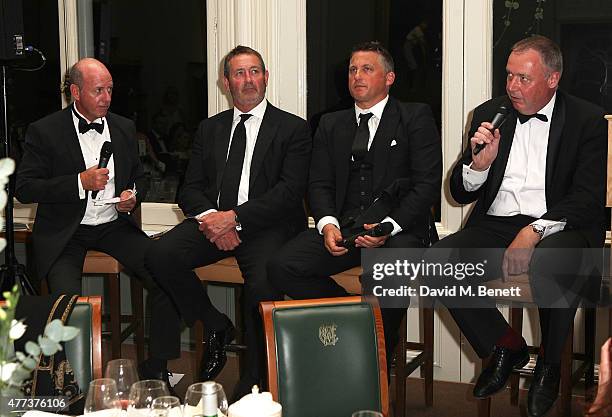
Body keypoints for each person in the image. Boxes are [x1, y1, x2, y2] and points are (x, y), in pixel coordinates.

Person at [436, 35, 606, 417]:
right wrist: (478, 166)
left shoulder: (586, 119)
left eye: (523, 79)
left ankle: (549, 364)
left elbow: (587, 198)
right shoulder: (490, 112)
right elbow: (459, 193)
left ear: (553, 79)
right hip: (498, 222)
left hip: (563, 222)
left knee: (554, 262)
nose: (512, 86)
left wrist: (535, 231)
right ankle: (505, 346)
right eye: (509, 76)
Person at [145, 45, 311, 400]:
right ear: (226, 82)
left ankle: (251, 386)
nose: (247, 80)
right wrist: (212, 222)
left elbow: (289, 193)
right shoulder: (209, 129)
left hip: (268, 226)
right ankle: (216, 323)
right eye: (239, 73)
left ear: (265, 78)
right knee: (159, 255)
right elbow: (189, 189)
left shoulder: (293, 129)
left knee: (262, 284)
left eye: (254, 72)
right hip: (214, 222)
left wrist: (233, 220)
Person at [267, 41, 441, 363]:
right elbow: (319, 182)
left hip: (400, 230)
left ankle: (376, 366)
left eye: (366, 69)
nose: (357, 76)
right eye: (352, 70)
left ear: (389, 78)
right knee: (282, 265)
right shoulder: (330, 124)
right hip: (347, 225)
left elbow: (427, 184)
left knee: (387, 272)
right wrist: (328, 223)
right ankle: (355, 319)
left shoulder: (414, 116)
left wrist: (389, 226)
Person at [15, 58, 182, 391]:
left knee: (167, 273)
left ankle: (155, 369)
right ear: (75, 92)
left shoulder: (121, 126)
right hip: (68, 231)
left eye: (109, 89)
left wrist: (132, 194)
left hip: (113, 225)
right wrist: (79, 182)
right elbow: (25, 187)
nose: (106, 97)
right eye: (98, 90)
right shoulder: (44, 130)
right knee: (66, 304)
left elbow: (139, 175)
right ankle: (68, 381)